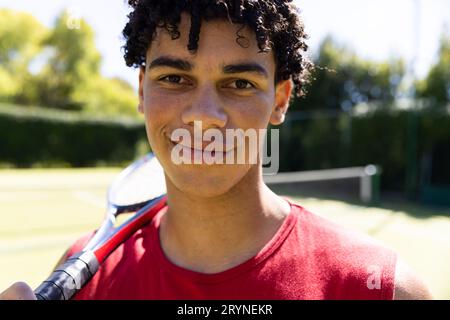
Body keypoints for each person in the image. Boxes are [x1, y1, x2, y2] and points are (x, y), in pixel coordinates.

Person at [1, 0, 432, 300]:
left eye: (240, 83)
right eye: (174, 78)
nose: (204, 116)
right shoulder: (80, 276)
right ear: (141, 90)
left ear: (280, 100)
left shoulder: (381, 289)